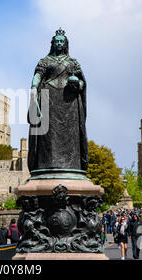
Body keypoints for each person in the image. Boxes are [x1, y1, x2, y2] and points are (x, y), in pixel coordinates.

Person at [27, 28, 88, 175]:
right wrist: (34, 88)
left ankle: (72, 167)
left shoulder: (73, 62)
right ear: (53, 44)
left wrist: (78, 84)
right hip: (49, 98)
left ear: (66, 44)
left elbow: (82, 82)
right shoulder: (45, 61)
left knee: (71, 136)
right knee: (48, 136)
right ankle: (47, 165)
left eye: (61, 41)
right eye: (57, 41)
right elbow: (38, 76)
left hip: (70, 103)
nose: (59, 43)